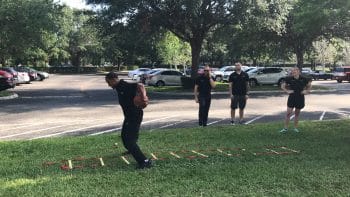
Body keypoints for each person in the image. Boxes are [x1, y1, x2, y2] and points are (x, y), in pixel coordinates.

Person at [105, 72, 152, 169]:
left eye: (109, 82)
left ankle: (144, 161)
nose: (108, 85)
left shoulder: (124, 86)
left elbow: (140, 85)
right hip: (129, 116)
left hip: (134, 115)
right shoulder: (119, 87)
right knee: (124, 136)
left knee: (129, 140)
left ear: (114, 79)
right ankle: (131, 150)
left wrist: (143, 98)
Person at [280, 67, 312, 133]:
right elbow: (282, 86)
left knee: (297, 114)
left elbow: (309, 85)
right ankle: (285, 128)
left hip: (300, 97)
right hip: (292, 97)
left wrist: (306, 91)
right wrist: (287, 91)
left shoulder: (304, 79)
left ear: (298, 72)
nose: (293, 72)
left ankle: (295, 128)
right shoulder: (289, 79)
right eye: (292, 71)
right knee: (288, 113)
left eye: (295, 71)